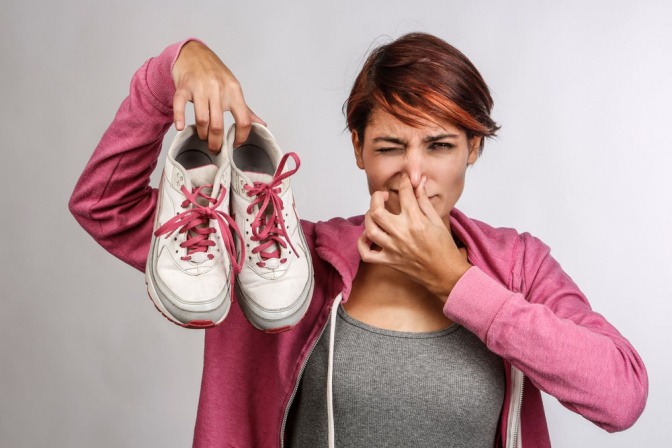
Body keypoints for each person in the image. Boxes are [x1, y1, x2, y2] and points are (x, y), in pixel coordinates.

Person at [69, 33, 648, 447]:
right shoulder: (277, 258)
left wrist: (457, 282)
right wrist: (170, 68)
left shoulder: (517, 265)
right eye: (390, 147)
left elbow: (620, 396)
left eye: (440, 146)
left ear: (474, 148)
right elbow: (104, 204)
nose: (413, 174)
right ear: (357, 147)